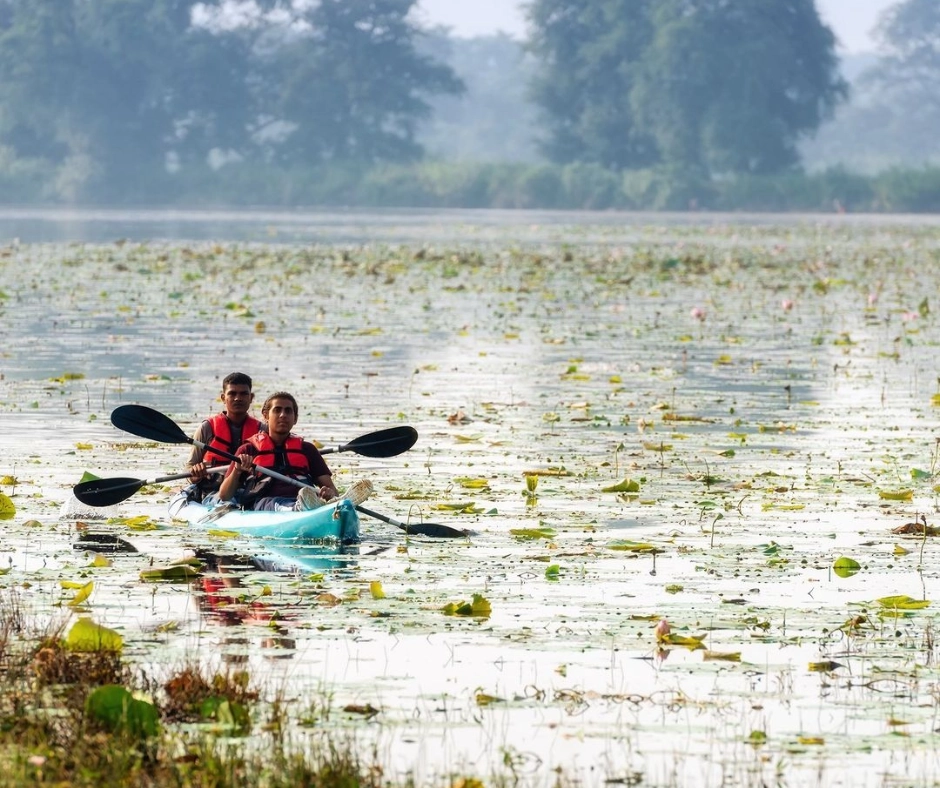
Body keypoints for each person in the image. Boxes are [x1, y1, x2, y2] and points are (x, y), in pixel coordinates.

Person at [218, 391, 339, 511]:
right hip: (263, 504)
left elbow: (332, 490)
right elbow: (224, 495)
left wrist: (329, 493)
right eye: (277, 410)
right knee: (273, 504)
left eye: (288, 411)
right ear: (266, 416)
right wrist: (237, 471)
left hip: (300, 501)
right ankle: (295, 510)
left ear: (295, 418)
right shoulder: (247, 450)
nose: (283, 415)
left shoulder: (307, 449)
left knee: (320, 502)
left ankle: (303, 507)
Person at [186, 372, 263, 503]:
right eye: (232, 394)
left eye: (244, 394)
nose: (238, 398)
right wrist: (195, 475)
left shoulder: (262, 431)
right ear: (223, 398)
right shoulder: (206, 428)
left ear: (251, 397)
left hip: (248, 491)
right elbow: (190, 467)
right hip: (213, 492)